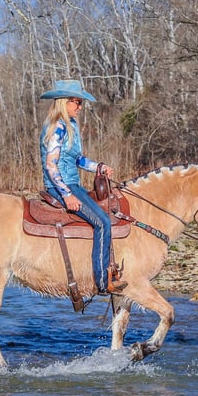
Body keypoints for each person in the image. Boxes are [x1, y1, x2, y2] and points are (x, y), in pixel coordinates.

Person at [39, 79, 127, 295]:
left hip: (73, 183)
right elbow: (51, 166)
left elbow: (77, 160)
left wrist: (99, 166)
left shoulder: (71, 126)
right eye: (76, 102)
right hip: (61, 186)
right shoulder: (57, 127)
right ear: (63, 102)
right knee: (103, 223)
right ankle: (102, 281)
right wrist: (67, 195)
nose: (79, 107)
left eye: (80, 103)